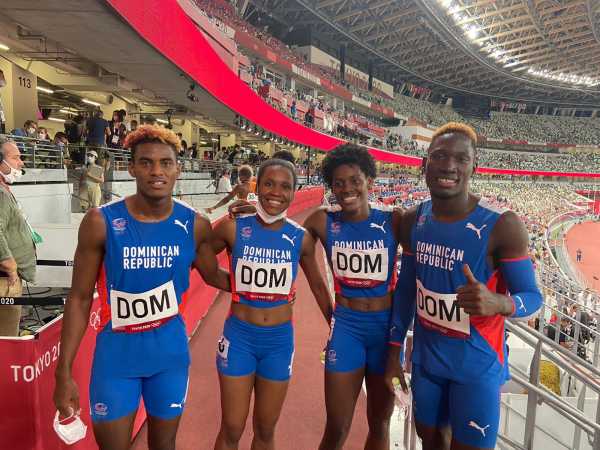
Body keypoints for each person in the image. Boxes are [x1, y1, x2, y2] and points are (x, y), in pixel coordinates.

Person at [53, 125, 230, 450]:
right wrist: (62, 373)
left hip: (170, 356)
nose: (156, 171)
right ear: (131, 167)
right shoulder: (99, 222)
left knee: (165, 445)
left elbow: (216, 276)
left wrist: (255, 242)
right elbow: (78, 299)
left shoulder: (195, 225)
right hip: (116, 359)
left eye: (166, 162)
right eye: (146, 163)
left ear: (179, 168)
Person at [385, 122, 542, 450]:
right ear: (424, 163)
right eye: (439, 156)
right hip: (427, 364)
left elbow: (533, 297)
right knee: (430, 441)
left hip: (477, 368)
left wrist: (499, 303)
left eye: (460, 158)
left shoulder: (503, 225)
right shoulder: (414, 220)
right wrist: (393, 350)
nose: (448, 166)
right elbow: (405, 292)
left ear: (475, 164)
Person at [210, 158, 333, 450]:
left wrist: (335, 326)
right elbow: (200, 258)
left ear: (294, 191)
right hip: (239, 338)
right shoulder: (233, 227)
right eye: (269, 184)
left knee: (265, 429)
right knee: (232, 428)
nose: (276, 192)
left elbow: (317, 284)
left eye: (285, 186)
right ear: (257, 186)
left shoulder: (300, 238)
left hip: (278, 342)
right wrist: (233, 283)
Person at [300, 144, 402, 450]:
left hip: (385, 331)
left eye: (355, 180)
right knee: (337, 426)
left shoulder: (393, 220)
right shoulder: (322, 221)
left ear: (370, 181)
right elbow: (301, 254)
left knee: (380, 423)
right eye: (338, 183)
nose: (347, 189)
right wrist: (330, 314)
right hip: (346, 328)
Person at [0, 137, 36, 336]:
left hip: (7, 279)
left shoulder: (4, 190)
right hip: (5, 281)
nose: (21, 163)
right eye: (16, 158)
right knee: (6, 339)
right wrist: (10, 266)